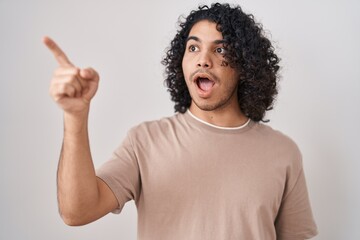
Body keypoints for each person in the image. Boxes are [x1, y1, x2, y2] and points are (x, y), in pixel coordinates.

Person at [44, 3, 318, 239]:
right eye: (193, 47)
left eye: (220, 50)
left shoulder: (284, 152)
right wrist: (74, 116)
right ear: (181, 61)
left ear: (245, 64)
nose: (203, 60)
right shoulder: (145, 140)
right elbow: (76, 212)